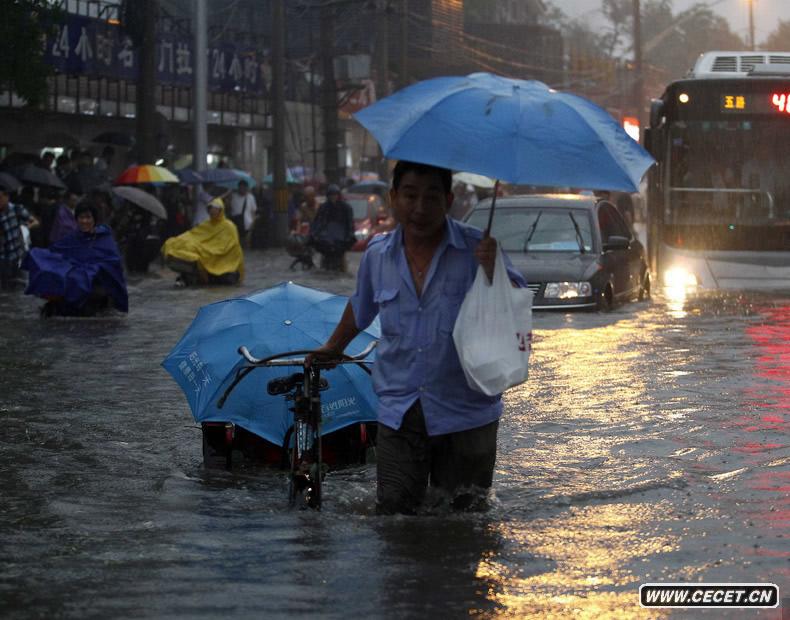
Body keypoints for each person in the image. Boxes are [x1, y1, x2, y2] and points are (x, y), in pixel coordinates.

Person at [309, 160, 527, 515]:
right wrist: (333, 347)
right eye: (410, 196)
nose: (420, 208)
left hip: (467, 412)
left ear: (448, 201)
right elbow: (361, 307)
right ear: (393, 198)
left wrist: (494, 271)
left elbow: (518, 308)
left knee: (463, 522)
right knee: (394, 516)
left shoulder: (478, 249)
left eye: (431, 197)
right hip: (400, 410)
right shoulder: (378, 255)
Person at [23, 200, 128, 316]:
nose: (84, 221)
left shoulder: (105, 239)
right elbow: (54, 254)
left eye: (88, 217)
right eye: (81, 217)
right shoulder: (71, 238)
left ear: (94, 219)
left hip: (97, 287)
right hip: (75, 283)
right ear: (76, 219)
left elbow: (113, 265)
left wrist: (91, 271)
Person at [161, 197, 243, 287]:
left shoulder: (229, 226)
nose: (212, 211)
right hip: (204, 254)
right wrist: (177, 241)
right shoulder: (206, 224)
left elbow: (231, 246)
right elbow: (192, 235)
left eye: (215, 209)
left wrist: (209, 250)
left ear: (221, 210)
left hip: (223, 260)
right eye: (210, 209)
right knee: (183, 245)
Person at [0, 185, 39, 291]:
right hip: (3, 257)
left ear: (7, 197)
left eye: (0, 197)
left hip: (18, 254)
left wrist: (26, 227)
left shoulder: (17, 209)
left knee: (20, 285)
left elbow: (35, 222)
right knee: (5, 287)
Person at [309, 184, 355, 271]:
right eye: (331, 195)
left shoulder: (346, 207)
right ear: (328, 196)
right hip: (326, 238)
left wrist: (349, 235)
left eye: (335, 195)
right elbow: (318, 222)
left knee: (342, 259)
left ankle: (343, 269)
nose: (333, 197)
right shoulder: (324, 207)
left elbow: (350, 223)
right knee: (324, 260)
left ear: (338, 195)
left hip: (341, 238)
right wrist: (314, 234)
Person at [228, 180, 257, 246]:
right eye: (241, 188)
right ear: (238, 188)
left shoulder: (251, 197)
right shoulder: (233, 196)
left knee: (246, 243)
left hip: (248, 225)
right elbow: (228, 208)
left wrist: (252, 225)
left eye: (245, 188)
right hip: (236, 224)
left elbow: (253, 212)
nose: (243, 190)